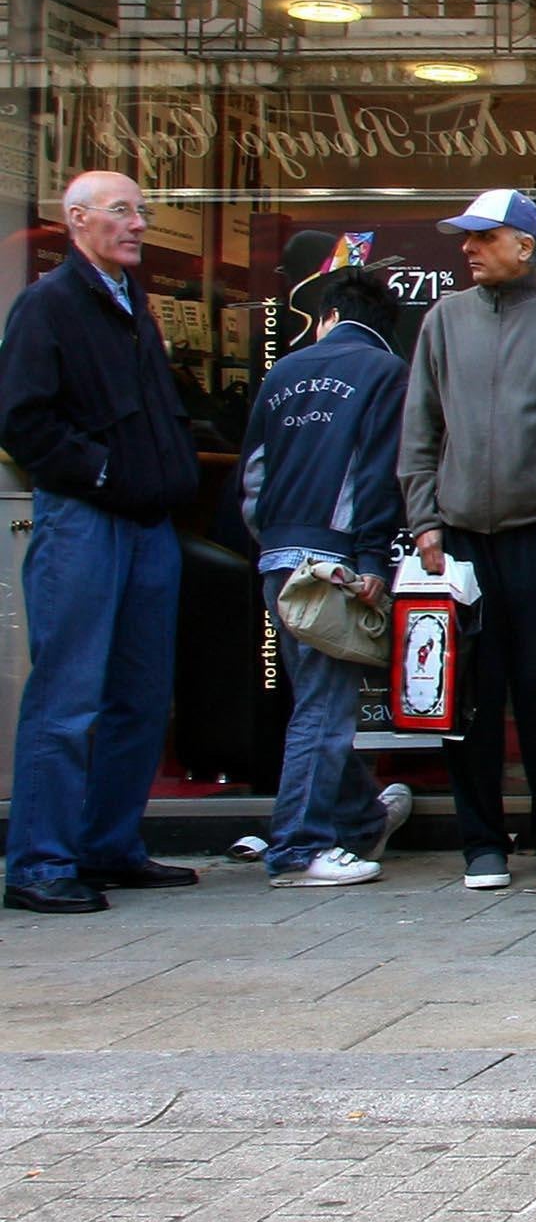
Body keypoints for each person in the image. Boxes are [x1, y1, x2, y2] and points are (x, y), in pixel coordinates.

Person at [0, 173, 204, 914]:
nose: (139, 224)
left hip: (148, 523)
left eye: (142, 211)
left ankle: (108, 847)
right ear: (76, 219)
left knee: (141, 697)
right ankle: (39, 863)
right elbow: (22, 421)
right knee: (68, 696)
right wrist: (108, 471)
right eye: (122, 211)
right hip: (84, 519)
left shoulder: (131, 305)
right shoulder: (47, 305)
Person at [399, 187, 536, 891]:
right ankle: (481, 841)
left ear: (526, 243)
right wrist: (425, 520)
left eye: (484, 236)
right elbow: (420, 427)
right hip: (458, 537)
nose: (467, 247)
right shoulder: (444, 319)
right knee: (470, 697)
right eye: (467, 236)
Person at [238, 262, 417, 888]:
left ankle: (362, 819)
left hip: (279, 555)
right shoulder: (384, 372)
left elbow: (253, 477)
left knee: (313, 698)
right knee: (324, 706)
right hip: (335, 559)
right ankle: (298, 847)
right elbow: (375, 475)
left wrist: (275, 546)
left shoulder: (281, 372)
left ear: (330, 318)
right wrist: (369, 560)